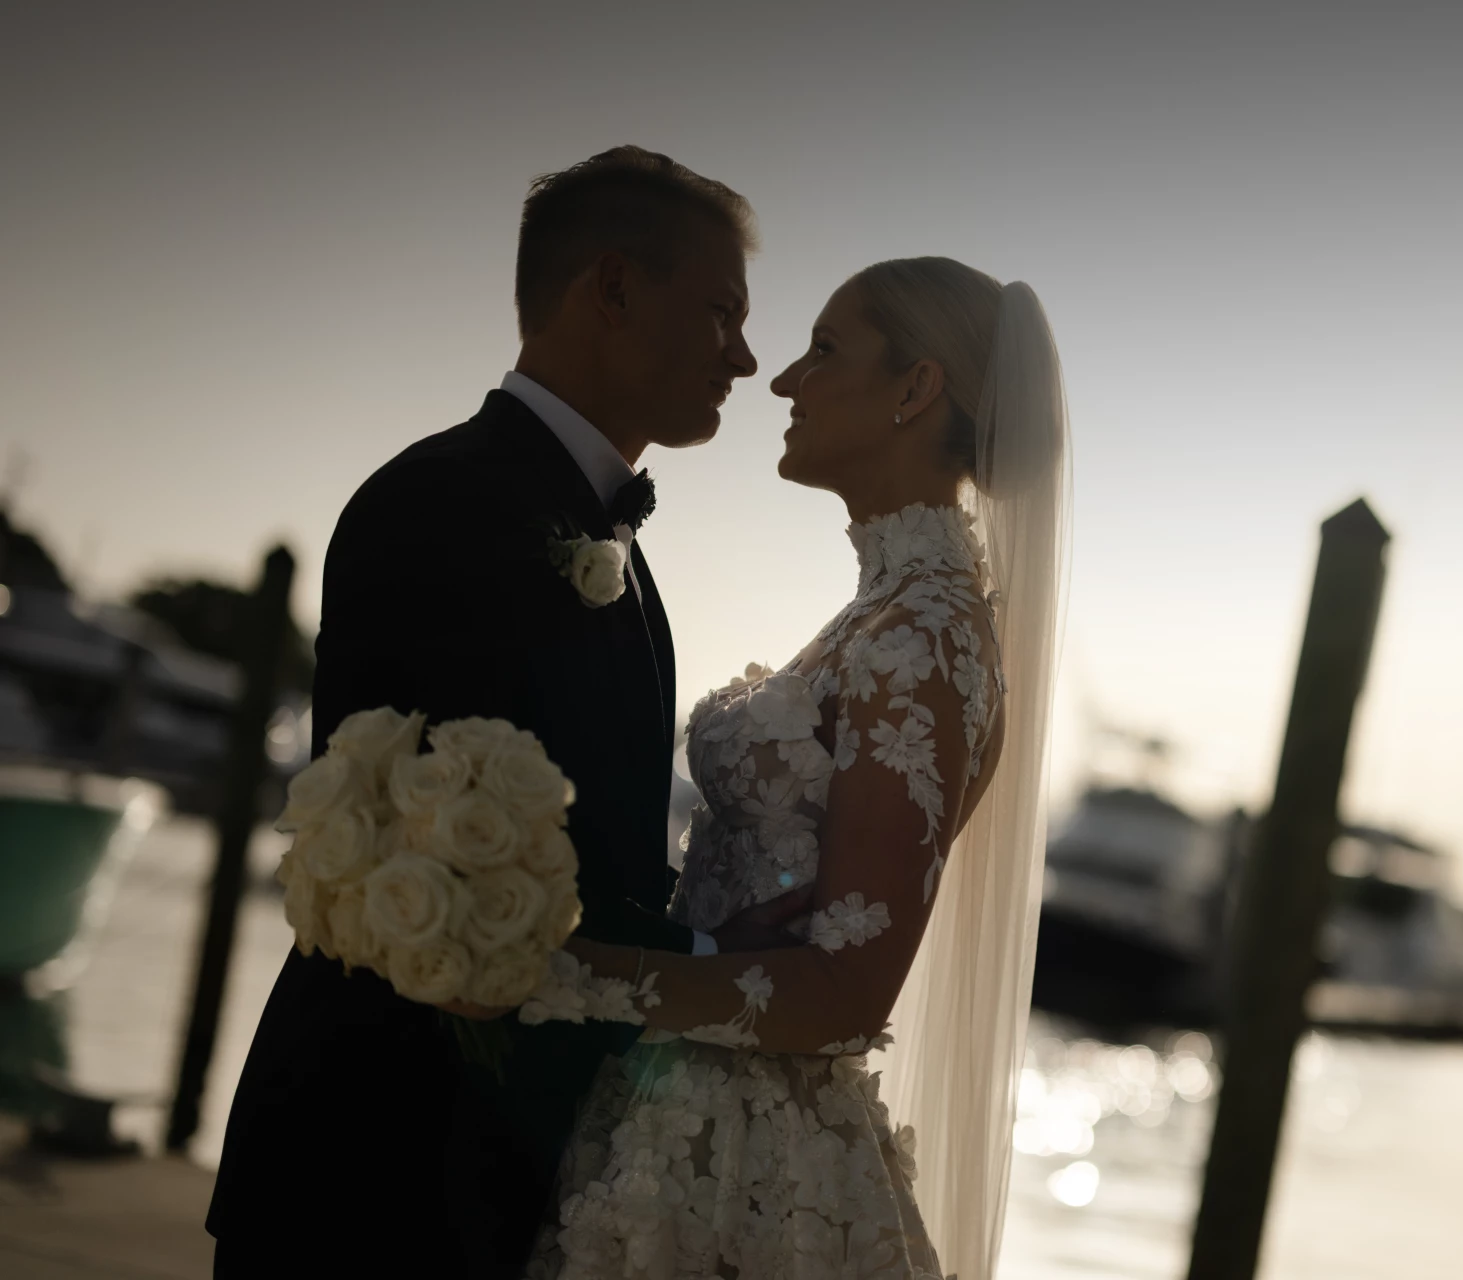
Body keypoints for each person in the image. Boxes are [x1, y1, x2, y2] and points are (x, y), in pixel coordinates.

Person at [207, 147, 810, 1279]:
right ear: (616, 288)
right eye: (723, 312)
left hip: (502, 1183)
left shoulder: (617, 546)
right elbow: (433, 876)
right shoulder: (436, 505)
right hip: (369, 1176)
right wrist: (719, 958)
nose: (744, 354)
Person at [517, 256, 1070, 1279]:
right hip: (676, 1110)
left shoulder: (925, 639)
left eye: (824, 350)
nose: (782, 381)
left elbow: (849, 994)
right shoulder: (884, 613)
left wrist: (551, 975)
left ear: (917, 388)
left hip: (751, 1177)